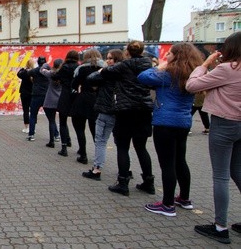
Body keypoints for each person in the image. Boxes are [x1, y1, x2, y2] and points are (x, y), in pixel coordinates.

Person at [186, 32, 241, 244]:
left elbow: (192, 85)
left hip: (224, 124)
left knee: (221, 176)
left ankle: (220, 227)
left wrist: (205, 64)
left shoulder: (228, 69)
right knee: (237, 171)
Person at [138, 43, 204, 217]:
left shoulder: (168, 75)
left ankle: (167, 205)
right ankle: (184, 198)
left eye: (169, 54)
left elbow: (143, 76)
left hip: (165, 123)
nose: (166, 56)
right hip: (183, 122)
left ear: (176, 56)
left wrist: (160, 65)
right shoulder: (190, 74)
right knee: (180, 160)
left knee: (167, 164)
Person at [99, 40, 154, 196]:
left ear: (127, 53)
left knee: (123, 147)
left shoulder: (124, 65)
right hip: (143, 109)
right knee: (141, 147)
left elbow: (105, 72)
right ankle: (148, 182)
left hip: (125, 109)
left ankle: (123, 182)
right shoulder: (148, 64)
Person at [82, 49, 125, 180]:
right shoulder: (126, 72)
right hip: (121, 110)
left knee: (100, 141)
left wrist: (101, 70)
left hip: (107, 110)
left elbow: (90, 78)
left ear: (116, 60)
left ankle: (97, 169)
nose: (108, 60)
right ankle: (125, 170)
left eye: (111, 58)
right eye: (107, 58)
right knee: (121, 143)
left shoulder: (107, 72)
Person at [70, 49, 105, 163]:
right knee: (96, 131)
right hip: (97, 100)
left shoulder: (82, 69)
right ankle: (98, 157)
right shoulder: (104, 69)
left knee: (80, 128)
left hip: (83, 99)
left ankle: (83, 154)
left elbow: (74, 84)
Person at [53, 50, 80, 156]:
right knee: (79, 125)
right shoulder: (79, 67)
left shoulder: (64, 67)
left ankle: (64, 147)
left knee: (63, 122)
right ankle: (82, 149)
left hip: (65, 95)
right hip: (76, 96)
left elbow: (55, 76)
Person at [26, 56, 50, 141]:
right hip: (46, 95)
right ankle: (56, 135)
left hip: (36, 95)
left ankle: (31, 135)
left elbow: (27, 73)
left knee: (32, 115)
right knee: (50, 117)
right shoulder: (49, 70)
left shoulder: (35, 71)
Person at [40, 58, 63, 148]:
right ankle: (67, 140)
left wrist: (46, 64)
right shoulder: (64, 75)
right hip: (61, 99)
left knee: (52, 121)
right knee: (63, 122)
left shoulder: (51, 74)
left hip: (50, 99)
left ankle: (51, 141)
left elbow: (42, 70)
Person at [17, 60, 34, 133]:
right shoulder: (34, 72)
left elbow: (18, 74)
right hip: (32, 93)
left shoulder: (24, 72)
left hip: (24, 93)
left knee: (26, 110)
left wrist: (23, 68)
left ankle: (26, 127)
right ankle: (33, 128)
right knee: (33, 111)